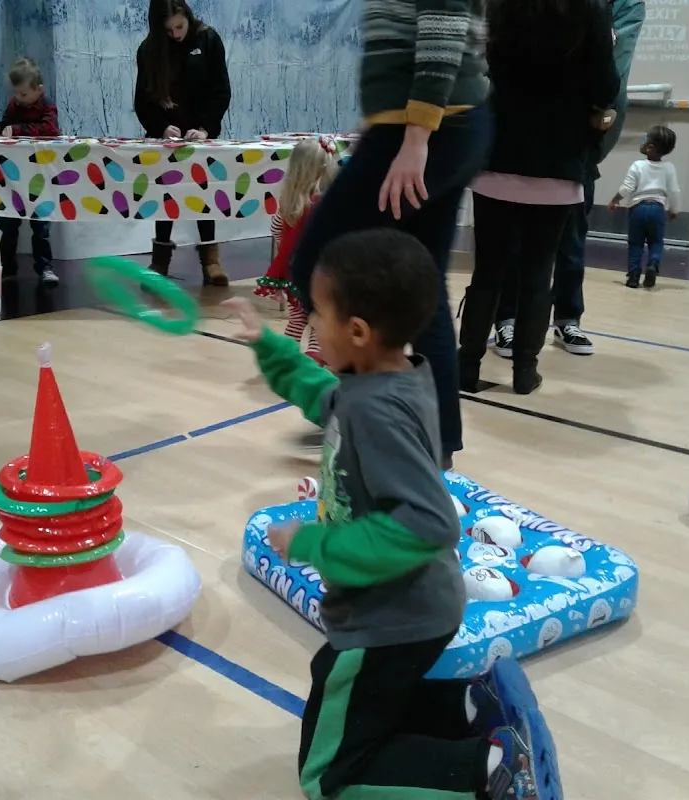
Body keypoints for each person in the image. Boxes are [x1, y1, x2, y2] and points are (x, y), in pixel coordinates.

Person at [223, 229, 560, 800]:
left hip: (388, 615)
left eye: (318, 313)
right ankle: (471, 707)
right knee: (368, 696)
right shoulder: (390, 377)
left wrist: (312, 543)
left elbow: (428, 523)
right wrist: (269, 348)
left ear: (357, 332)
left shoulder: (377, 411)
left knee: (329, 777)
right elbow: (325, 396)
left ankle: (490, 772)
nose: (312, 324)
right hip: (411, 606)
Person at [286, 0, 492, 469]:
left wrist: (415, 138)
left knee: (316, 263)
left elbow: (443, 25)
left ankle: (362, 417)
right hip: (442, 125)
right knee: (425, 288)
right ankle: (434, 443)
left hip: (427, 128)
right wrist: (382, 122)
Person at [457, 0, 620, 395]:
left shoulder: (500, 6)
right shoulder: (589, 9)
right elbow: (606, 86)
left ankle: (467, 367)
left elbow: (480, 70)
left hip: (499, 153)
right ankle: (524, 372)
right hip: (559, 160)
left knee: (487, 272)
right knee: (538, 273)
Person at [490, 0, 645, 358]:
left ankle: (567, 318)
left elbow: (611, 73)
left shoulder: (621, 6)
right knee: (513, 240)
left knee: (570, 237)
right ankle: (507, 320)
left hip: (574, 140)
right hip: (517, 137)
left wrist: (598, 119)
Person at [134, 0, 231, 286]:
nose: (176, 34)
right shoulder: (148, 50)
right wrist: (161, 128)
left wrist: (205, 128)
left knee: (205, 194)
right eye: (169, 30)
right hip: (167, 138)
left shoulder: (208, 39)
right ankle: (160, 261)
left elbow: (221, 90)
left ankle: (211, 261)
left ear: (188, 16)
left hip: (201, 134)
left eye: (180, 26)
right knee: (164, 196)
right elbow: (143, 100)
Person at [254, 137, 337, 363]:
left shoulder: (288, 201)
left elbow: (276, 229)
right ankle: (313, 358)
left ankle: (285, 356)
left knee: (297, 317)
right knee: (319, 318)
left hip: (294, 272)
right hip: (321, 273)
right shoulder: (326, 204)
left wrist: (287, 248)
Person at [0, 57, 61, 285]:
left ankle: (45, 267)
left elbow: (50, 129)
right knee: (8, 222)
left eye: (23, 94)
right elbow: (6, 123)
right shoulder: (14, 105)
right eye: (16, 93)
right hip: (13, 176)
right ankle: (7, 267)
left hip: (39, 175)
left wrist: (17, 129)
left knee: (41, 225)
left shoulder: (47, 106)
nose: (18, 98)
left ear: (39, 90)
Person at [608, 125, 680, 288]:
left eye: (645, 139)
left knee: (636, 243)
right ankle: (653, 263)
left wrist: (615, 200)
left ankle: (633, 276)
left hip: (637, 210)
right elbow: (674, 191)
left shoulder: (637, 165)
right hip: (658, 210)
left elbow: (627, 188)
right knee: (656, 242)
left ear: (650, 147)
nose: (642, 141)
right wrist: (674, 210)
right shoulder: (669, 168)